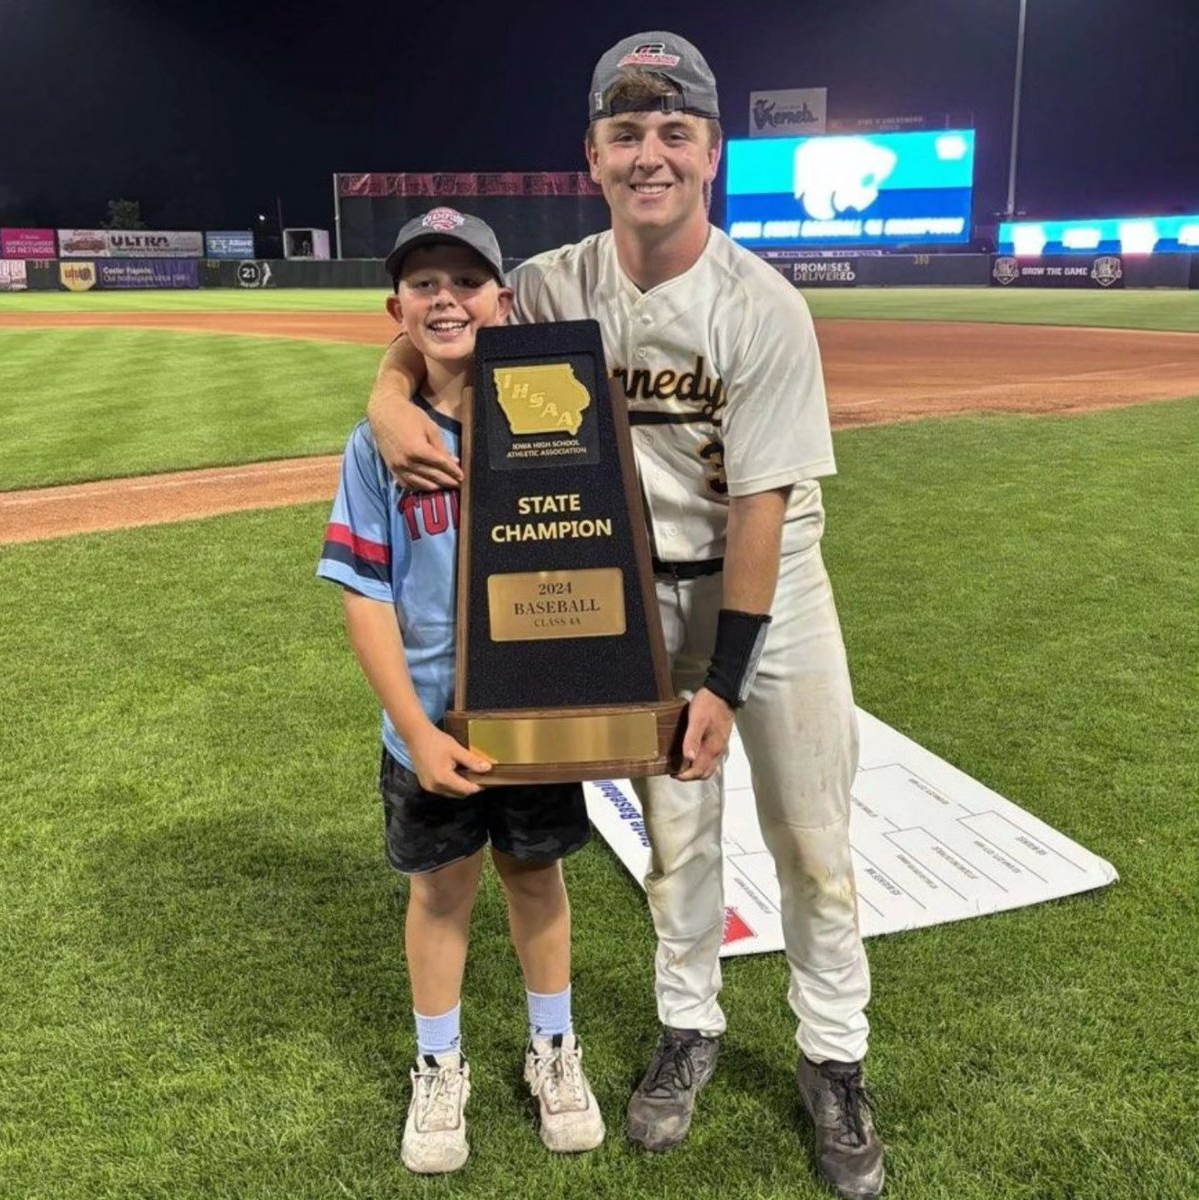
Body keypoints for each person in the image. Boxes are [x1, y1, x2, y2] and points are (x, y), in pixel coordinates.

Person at [366, 34, 884, 1200]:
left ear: (711, 152)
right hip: (635, 602)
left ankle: (834, 1057)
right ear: (592, 155)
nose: (650, 155)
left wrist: (724, 680)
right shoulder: (552, 284)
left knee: (812, 844)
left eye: (675, 132)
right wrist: (389, 392)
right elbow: (438, 324)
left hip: (770, 595)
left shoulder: (764, 307)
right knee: (677, 849)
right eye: (626, 134)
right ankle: (687, 1031)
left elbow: (760, 510)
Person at [317, 209, 605, 1175]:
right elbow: (365, 598)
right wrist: (413, 729)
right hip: (429, 725)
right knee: (440, 892)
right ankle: (438, 1067)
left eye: (468, 280)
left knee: (536, 876)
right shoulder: (378, 449)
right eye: (426, 284)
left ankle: (553, 1050)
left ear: (503, 300)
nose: (447, 298)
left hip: (535, 714)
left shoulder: (549, 413)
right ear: (395, 308)